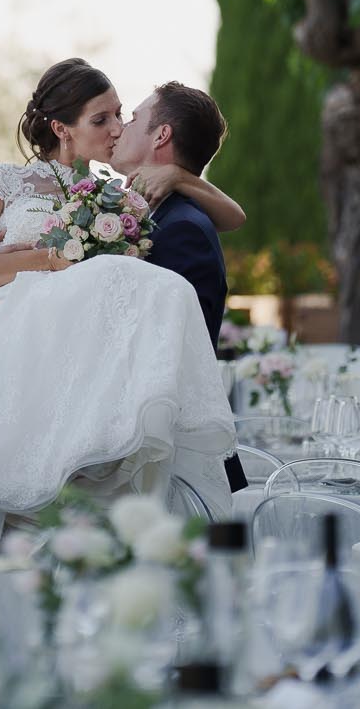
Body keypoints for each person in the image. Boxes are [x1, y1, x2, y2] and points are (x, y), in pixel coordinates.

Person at [0, 58, 240, 522]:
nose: (116, 128)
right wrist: (44, 259)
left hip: (79, 371)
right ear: (61, 128)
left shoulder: (119, 196)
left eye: (120, 114)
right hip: (25, 348)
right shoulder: (6, 182)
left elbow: (230, 217)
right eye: (102, 119)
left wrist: (177, 176)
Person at [110, 81, 250, 493]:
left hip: (165, 464)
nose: (119, 129)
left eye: (132, 118)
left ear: (161, 134)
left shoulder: (181, 229)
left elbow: (159, 358)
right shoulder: (156, 213)